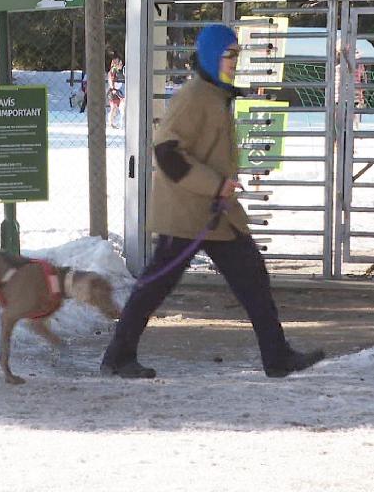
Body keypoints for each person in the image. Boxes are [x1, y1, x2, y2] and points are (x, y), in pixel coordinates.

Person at [100, 24, 325, 380]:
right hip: (186, 214)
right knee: (155, 285)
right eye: (228, 56)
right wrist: (215, 183)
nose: (234, 63)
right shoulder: (193, 98)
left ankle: (277, 357)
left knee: (253, 279)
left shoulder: (213, 95)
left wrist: (220, 185)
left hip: (217, 213)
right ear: (209, 57)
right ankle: (117, 357)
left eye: (236, 56)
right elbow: (167, 152)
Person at [107, 56, 124, 128]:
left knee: (115, 108)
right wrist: (113, 88)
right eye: (120, 64)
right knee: (114, 107)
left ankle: (112, 122)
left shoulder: (116, 71)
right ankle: (111, 122)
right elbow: (112, 80)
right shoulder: (113, 70)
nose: (121, 65)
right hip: (113, 91)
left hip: (116, 91)